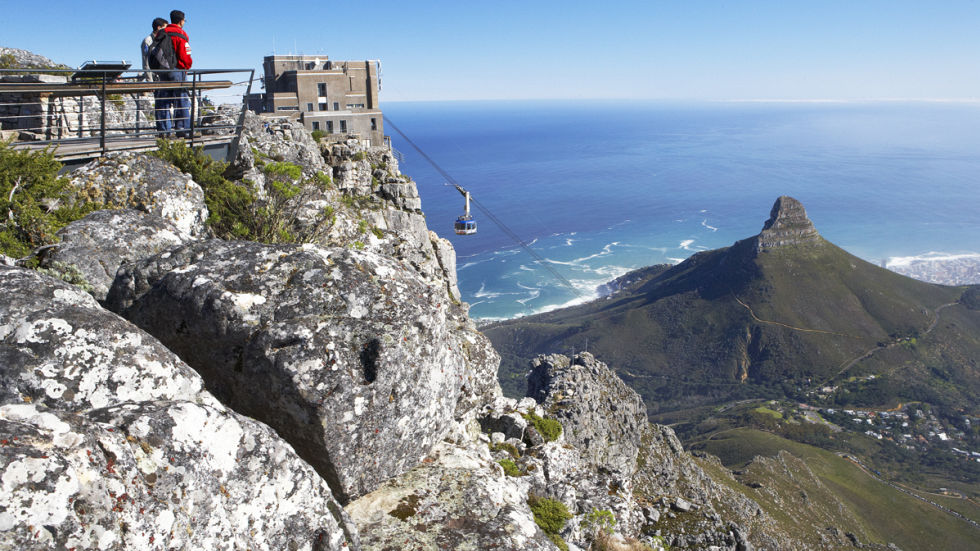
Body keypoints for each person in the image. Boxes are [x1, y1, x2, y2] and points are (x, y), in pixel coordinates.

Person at [159, 10, 193, 137]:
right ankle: (183, 130)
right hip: (178, 71)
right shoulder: (181, 34)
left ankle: (164, 131)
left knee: (164, 101)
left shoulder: (162, 33)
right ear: (181, 21)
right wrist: (187, 66)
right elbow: (185, 56)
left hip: (162, 71)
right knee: (182, 100)